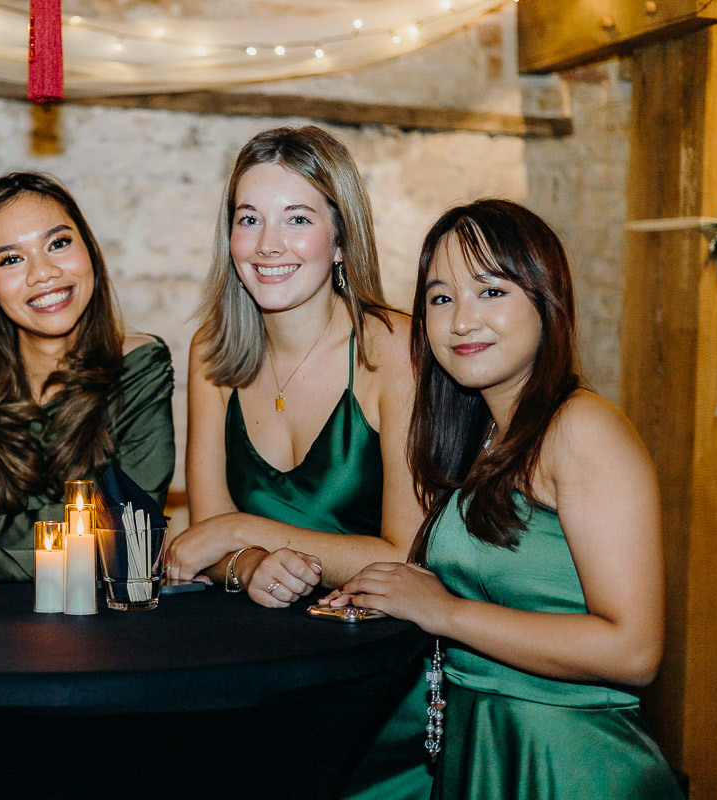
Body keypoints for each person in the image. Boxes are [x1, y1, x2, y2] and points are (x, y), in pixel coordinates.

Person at [334, 199, 682, 799]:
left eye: (490, 292)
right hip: (483, 751)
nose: (462, 321)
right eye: (441, 299)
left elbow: (635, 649)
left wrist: (444, 611)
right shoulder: (480, 438)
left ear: (545, 299)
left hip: (569, 767)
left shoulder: (580, 428)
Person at [166, 125, 430, 800]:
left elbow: (405, 557)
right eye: (249, 219)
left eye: (298, 219)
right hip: (253, 673)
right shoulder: (211, 354)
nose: (268, 246)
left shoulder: (394, 349)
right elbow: (205, 548)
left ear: (342, 241)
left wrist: (237, 532)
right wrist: (248, 562)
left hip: (374, 687)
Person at [0, 172, 175, 582]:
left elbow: (133, 538)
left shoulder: (139, 368)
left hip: (95, 628)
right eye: (11, 259)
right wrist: (86, 529)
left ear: (90, 253)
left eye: (58, 244)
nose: (43, 273)